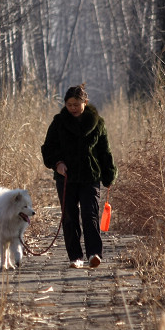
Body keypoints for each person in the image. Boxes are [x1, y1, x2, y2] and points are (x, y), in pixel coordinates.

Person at [41, 84, 117, 269]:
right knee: (69, 217)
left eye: (77, 104)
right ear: (65, 104)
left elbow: (104, 151)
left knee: (90, 215)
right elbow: (48, 148)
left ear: (85, 102)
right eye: (69, 105)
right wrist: (57, 163)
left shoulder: (98, 123)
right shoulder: (58, 122)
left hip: (90, 176)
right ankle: (75, 257)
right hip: (66, 177)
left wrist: (109, 174)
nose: (73, 108)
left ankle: (94, 254)